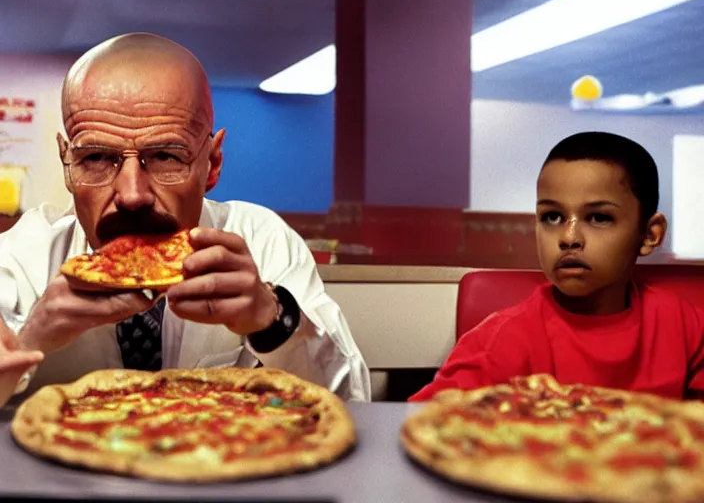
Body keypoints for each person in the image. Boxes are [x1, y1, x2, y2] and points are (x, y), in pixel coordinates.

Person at [0, 33, 370, 408]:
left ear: (212, 163)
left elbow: (351, 401)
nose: (131, 195)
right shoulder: (21, 255)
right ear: (68, 163)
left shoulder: (261, 240)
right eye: (96, 158)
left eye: (165, 156)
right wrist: (29, 339)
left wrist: (272, 319)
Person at [411, 131, 704, 401]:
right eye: (552, 217)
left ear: (649, 234)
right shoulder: (502, 341)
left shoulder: (685, 326)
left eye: (599, 218)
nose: (569, 237)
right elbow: (424, 423)